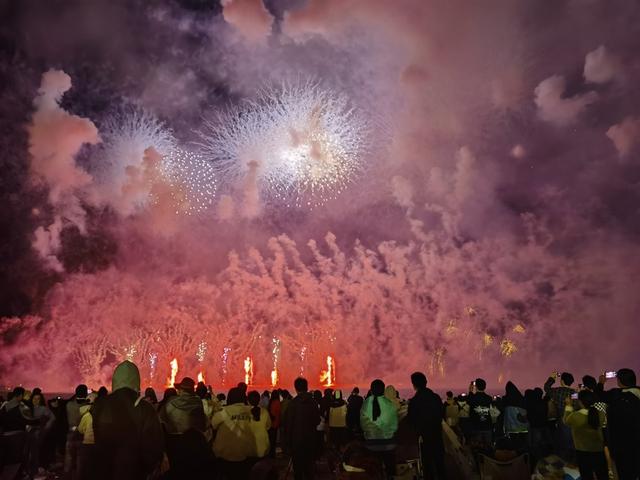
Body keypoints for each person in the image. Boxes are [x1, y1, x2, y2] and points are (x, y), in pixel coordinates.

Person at [91, 360, 164, 480]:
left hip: (103, 470)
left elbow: (90, 439)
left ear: (115, 381)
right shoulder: (145, 408)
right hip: (134, 471)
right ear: (136, 381)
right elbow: (153, 444)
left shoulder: (99, 405)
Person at [161, 377, 212, 477]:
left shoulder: (171, 402)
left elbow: (161, 419)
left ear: (182, 390)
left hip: (174, 444)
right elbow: (203, 423)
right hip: (195, 445)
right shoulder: (198, 402)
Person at [598, 368, 640, 480]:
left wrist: (601, 383)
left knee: (625, 473)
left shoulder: (616, 394)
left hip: (622, 445)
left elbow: (598, 396)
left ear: (619, 381)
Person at [408, 372, 445, 480]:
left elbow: (411, 420)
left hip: (424, 437)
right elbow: (442, 414)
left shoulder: (414, 401)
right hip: (437, 435)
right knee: (440, 464)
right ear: (426, 382)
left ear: (414, 385)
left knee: (427, 466)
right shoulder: (436, 397)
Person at [282, 377, 321, 480]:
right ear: (307, 387)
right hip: (310, 441)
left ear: (296, 388)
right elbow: (317, 420)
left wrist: (287, 443)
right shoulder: (313, 403)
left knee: (298, 471)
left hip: (297, 443)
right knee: (309, 470)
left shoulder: (292, 404)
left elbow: (288, 425)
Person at [211, 387, 255, 479]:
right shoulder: (251, 411)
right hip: (245, 452)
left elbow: (213, 424)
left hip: (225, 454)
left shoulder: (224, 412)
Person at [563, 390, 607, 480]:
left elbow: (565, 420)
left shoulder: (575, 416)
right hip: (598, 450)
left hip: (582, 451)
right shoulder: (600, 414)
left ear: (580, 402)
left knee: (587, 475)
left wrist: (568, 405)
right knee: (602, 474)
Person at [360, 379, 398, 480]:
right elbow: (394, 425)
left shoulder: (366, 403)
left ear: (371, 390)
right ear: (383, 390)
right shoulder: (390, 404)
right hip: (389, 444)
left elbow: (363, 425)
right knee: (390, 470)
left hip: (372, 444)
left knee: (374, 471)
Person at [544, 371, 576, 461]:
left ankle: (563, 462)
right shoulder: (574, 393)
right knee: (571, 441)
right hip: (572, 419)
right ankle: (572, 462)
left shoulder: (558, 391)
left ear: (562, 381)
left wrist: (552, 378)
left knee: (562, 442)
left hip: (561, 418)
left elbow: (546, 387)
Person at [65, 384, 90, 476]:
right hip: (82, 436)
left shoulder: (69, 405)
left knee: (69, 460)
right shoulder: (87, 406)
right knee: (80, 461)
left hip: (70, 434)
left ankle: (67, 477)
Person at [467, 378, 493, 450]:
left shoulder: (472, 398)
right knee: (488, 448)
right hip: (487, 425)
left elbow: (469, 401)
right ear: (485, 387)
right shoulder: (489, 398)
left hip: (476, 426)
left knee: (477, 448)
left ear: (476, 387)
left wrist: (470, 390)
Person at [502, 381, 529, 450]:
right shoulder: (520, 399)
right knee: (523, 446)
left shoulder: (505, 400)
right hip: (523, 428)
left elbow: (504, 416)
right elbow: (524, 414)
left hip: (511, 429)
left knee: (513, 447)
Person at [77, 393, 97, 480]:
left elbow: (80, 429)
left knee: (84, 467)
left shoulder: (86, 416)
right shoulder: (100, 414)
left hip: (86, 443)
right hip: (97, 443)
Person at [248, 390, 272, 458]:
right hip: (263, 444)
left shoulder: (245, 413)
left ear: (248, 400)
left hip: (250, 446)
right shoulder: (265, 412)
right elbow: (268, 426)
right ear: (259, 400)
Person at [267, 389, 281, 458]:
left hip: (271, 423)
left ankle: (270, 454)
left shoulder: (271, 402)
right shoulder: (277, 402)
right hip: (275, 423)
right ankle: (272, 455)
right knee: (273, 440)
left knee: (271, 440)